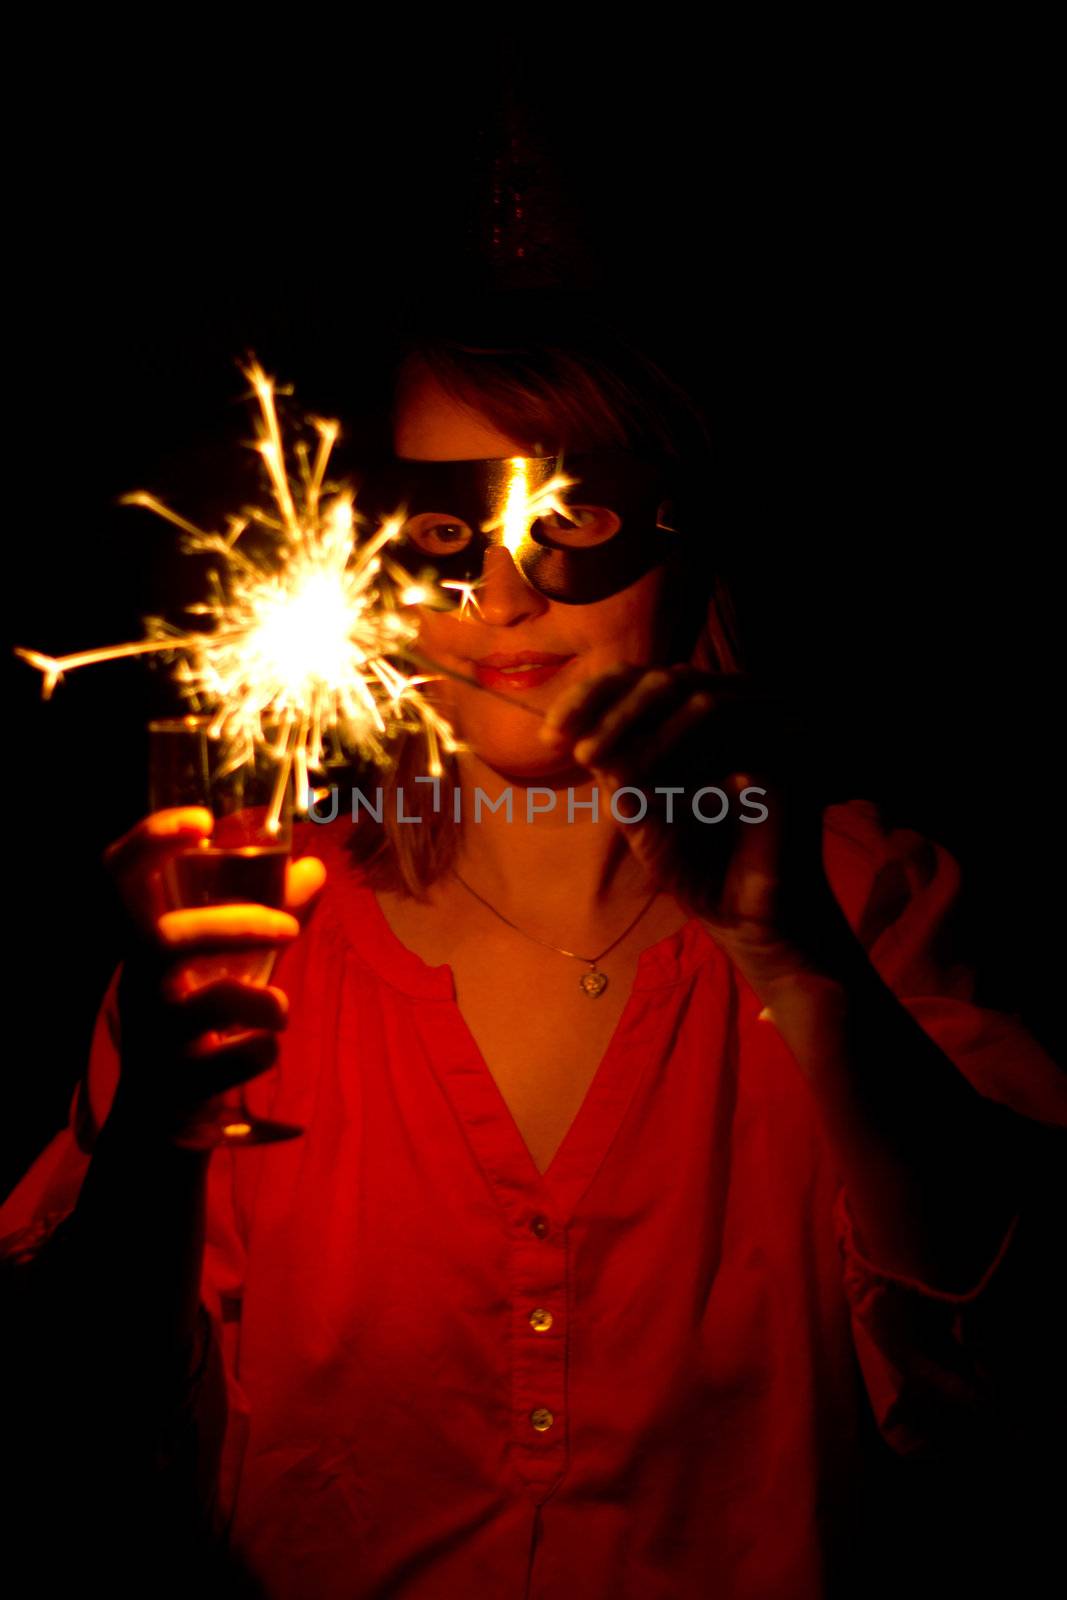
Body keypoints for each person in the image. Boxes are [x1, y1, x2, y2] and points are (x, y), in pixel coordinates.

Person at [2, 299, 1065, 1598]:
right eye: (443, 528)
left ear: (691, 532)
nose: (504, 591)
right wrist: (156, 1138)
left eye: (571, 514)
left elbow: (1038, 1392)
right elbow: (63, 1443)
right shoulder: (237, 937)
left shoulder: (870, 905)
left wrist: (811, 975)